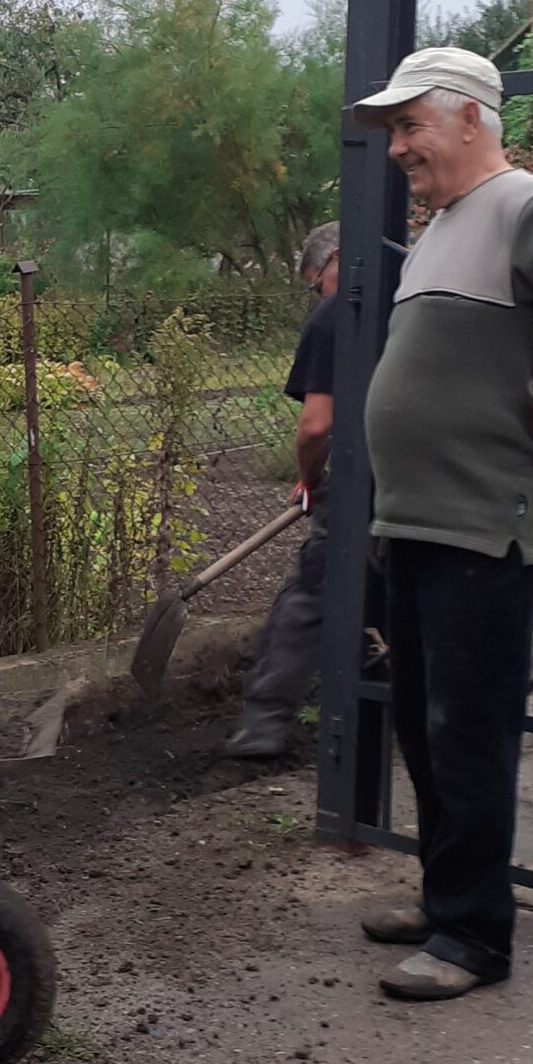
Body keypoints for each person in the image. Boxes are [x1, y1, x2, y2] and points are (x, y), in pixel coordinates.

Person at [353, 46, 533, 1002]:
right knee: (424, 726)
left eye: (411, 125)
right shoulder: (445, 227)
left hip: (487, 524)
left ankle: (475, 938)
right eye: (393, 131)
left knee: (467, 735)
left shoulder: (522, 206)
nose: (398, 146)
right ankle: (447, 898)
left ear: (471, 118)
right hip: (421, 521)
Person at [224, 224, 339, 758]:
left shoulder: (337, 316)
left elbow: (316, 426)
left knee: (308, 597)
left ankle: (263, 722)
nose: (318, 297)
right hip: (433, 485)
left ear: (337, 260)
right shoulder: (418, 293)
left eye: (316, 285)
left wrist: (312, 480)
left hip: (366, 491)